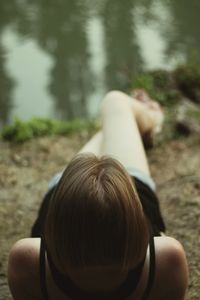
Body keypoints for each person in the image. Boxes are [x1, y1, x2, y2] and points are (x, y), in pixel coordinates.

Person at [8, 90, 188, 300]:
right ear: (137, 228)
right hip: (115, 190)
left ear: (56, 227)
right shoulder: (167, 260)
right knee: (115, 102)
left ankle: (118, 127)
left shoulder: (26, 261)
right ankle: (153, 118)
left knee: (109, 128)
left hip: (75, 190)